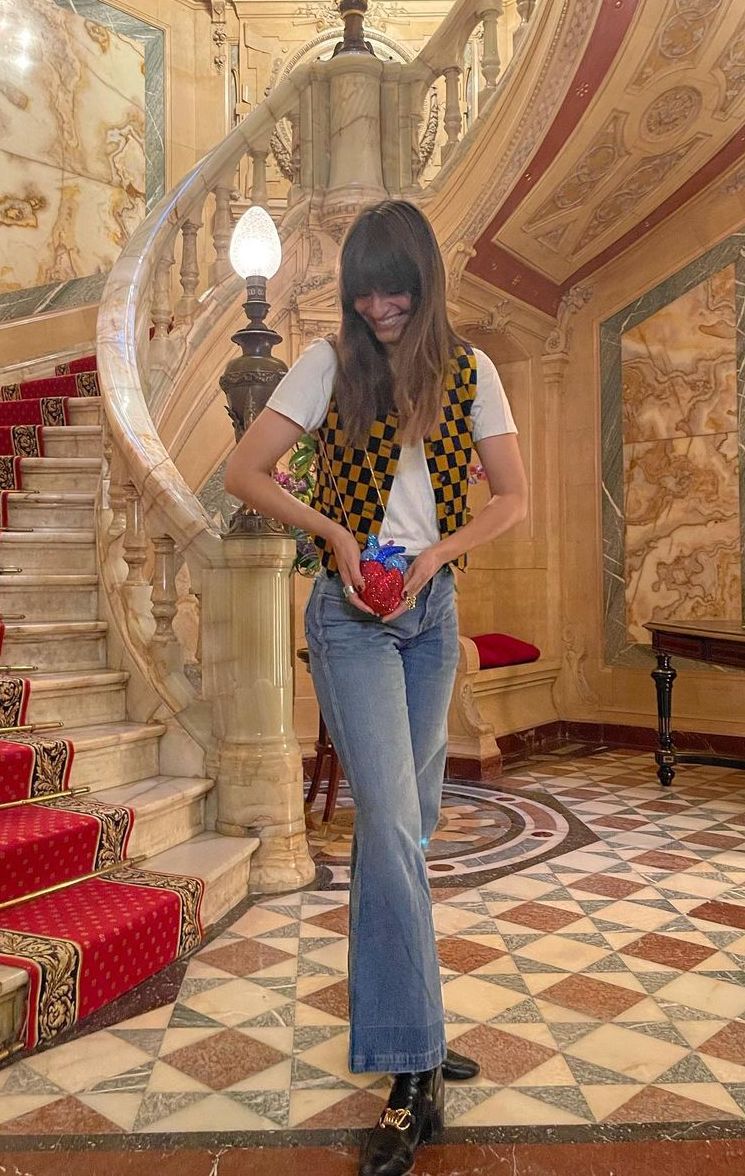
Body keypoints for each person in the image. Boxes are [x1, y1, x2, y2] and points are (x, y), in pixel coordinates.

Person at [225, 199, 528, 1176]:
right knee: (389, 830)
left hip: (429, 620)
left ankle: (417, 1028)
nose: (378, 303)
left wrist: (438, 554)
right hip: (351, 621)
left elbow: (512, 496)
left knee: (415, 825)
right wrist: (337, 536)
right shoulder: (324, 365)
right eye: (364, 287)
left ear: (424, 282)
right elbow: (244, 469)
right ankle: (410, 1070)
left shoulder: (469, 372)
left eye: (394, 285)